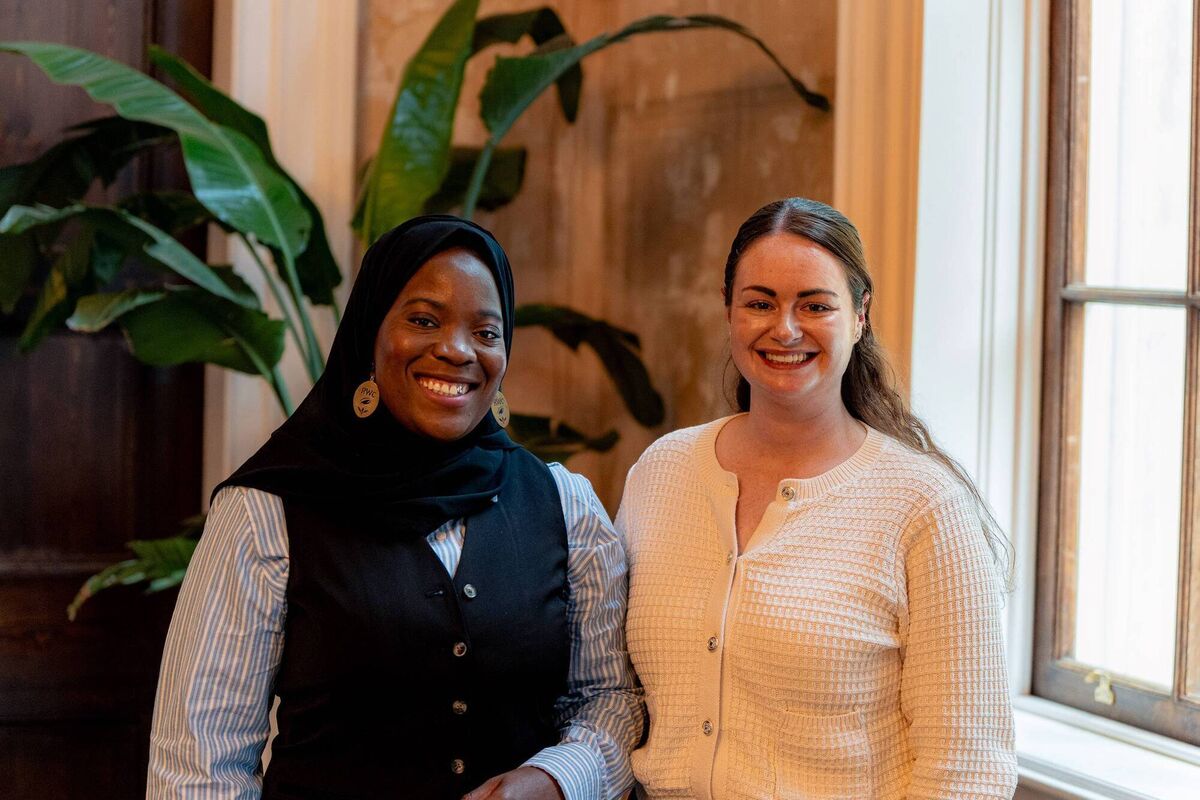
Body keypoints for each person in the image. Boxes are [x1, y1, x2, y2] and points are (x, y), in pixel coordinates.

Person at [147, 215, 642, 800]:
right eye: (424, 321)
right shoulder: (268, 511)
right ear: (369, 333)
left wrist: (557, 779)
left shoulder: (564, 506)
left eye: (486, 332)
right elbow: (200, 766)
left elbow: (610, 700)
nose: (456, 350)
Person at [618, 198, 1017, 799]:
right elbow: (617, 692)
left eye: (815, 305)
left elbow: (968, 769)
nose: (785, 329)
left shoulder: (925, 507)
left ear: (860, 316)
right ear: (728, 309)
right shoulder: (661, 471)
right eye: (760, 303)